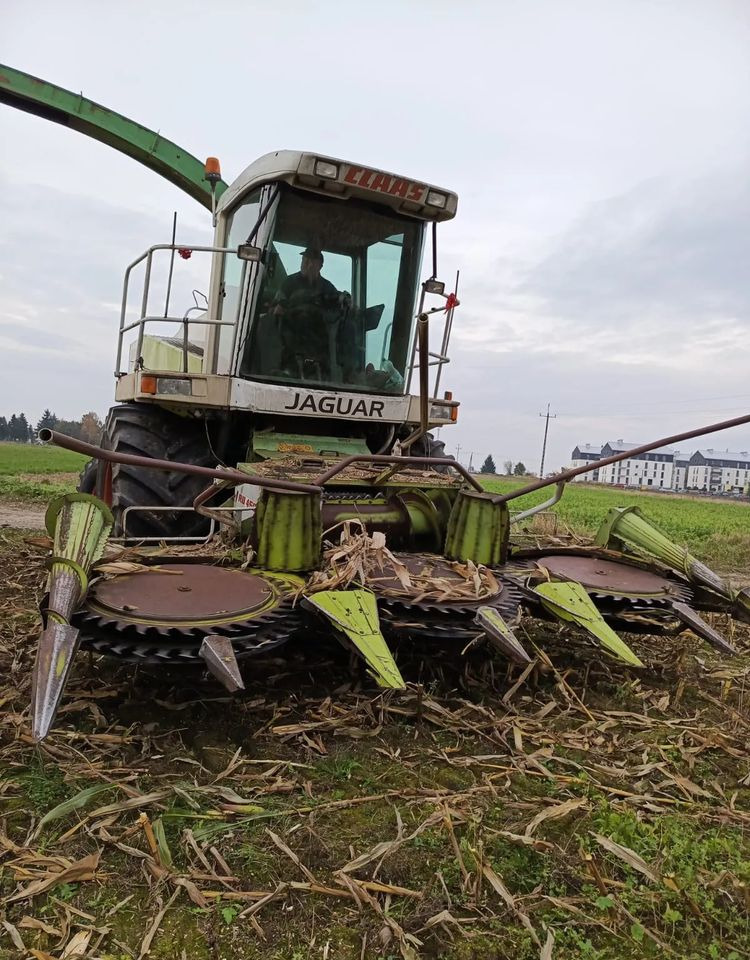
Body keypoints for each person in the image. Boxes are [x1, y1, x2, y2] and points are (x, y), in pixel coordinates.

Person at [273, 248, 343, 377]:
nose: (306, 264)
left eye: (311, 261)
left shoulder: (328, 288)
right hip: (292, 333)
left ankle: (347, 373)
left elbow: (336, 310)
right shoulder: (289, 283)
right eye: (304, 260)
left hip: (319, 336)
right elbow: (277, 310)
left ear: (320, 266)